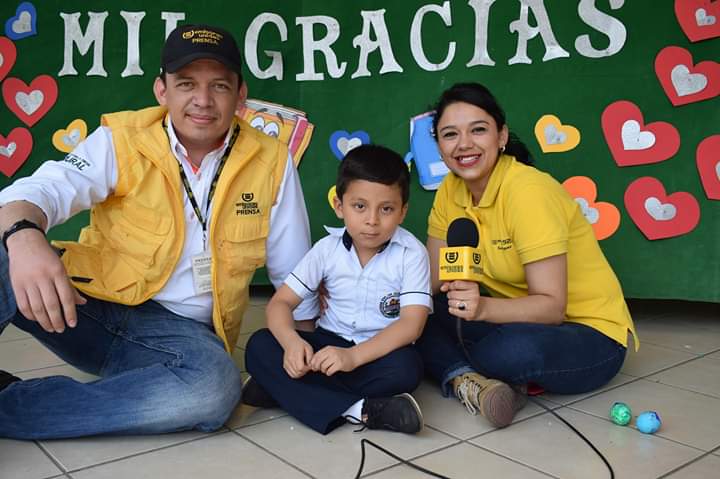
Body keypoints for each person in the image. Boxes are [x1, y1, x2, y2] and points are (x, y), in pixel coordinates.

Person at [0, 24, 317, 439]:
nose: (202, 101)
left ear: (240, 95)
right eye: (186, 84)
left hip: (180, 337)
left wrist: (306, 349)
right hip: (85, 307)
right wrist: (25, 237)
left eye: (219, 86)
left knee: (213, 388)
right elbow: (43, 189)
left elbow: (294, 273)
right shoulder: (122, 139)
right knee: (8, 243)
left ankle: (13, 409)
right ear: (162, 91)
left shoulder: (272, 160)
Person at [416, 82, 638, 428]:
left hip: (589, 336)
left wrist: (484, 308)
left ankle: (468, 368)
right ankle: (470, 382)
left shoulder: (528, 192)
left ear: (501, 136)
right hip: (514, 318)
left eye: (479, 130)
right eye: (449, 135)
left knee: (507, 351)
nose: (464, 145)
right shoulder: (450, 189)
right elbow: (431, 280)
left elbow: (552, 308)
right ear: (439, 146)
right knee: (417, 315)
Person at [243, 145, 432, 435]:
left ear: (403, 212)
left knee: (407, 368)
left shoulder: (412, 253)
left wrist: (352, 358)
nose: (372, 220)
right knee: (259, 345)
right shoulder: (326, 250)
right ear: (339, 206)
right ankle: (361, 410)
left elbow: (411, 325)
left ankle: (280, 390)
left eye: (387, 209)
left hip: (376, 352)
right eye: (359, 206)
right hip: (326, 342)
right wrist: (293, 342)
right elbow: (279, 303)